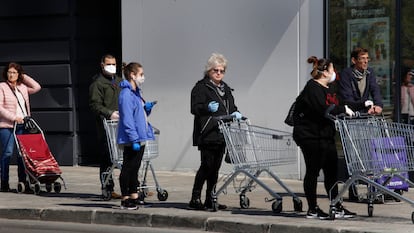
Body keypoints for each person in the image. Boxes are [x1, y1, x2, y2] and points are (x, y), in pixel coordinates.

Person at [293, 56, 356, 220]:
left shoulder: (329, 88)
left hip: (325, 136)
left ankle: (335, 205)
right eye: (332, 69)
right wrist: (342, 109)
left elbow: (342, 103)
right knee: (313, 171)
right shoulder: (312, 88)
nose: (334, 73)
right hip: (309, 136)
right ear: (325, 72)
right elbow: (323, 108)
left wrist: (365, 105)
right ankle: (312, 209)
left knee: (331, 172)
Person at [189, 53, 243, 210]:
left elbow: (231, 107)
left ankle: (211, 198)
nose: (219, 73)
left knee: (215, 169)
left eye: (222, 70)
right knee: (206, 165)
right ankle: (195, 198)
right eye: (215, 70)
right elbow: (194, 108)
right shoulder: (201, 87)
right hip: (207, 131)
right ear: (209, 71)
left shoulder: (225, 88)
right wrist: (207, 108)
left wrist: (236, 113)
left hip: (222, 133)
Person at [339, 47, 384, 201]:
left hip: (365, 119)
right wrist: (365, 104)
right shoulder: (346, 74)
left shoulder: (369, 73)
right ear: (354, 60)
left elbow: (375, 90)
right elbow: (346, 98)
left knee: (369, 153)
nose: (365, 61)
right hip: (351, 118)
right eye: (362, 58)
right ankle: (352, 189)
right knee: (353, 154)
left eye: (367, 58)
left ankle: (372, 188)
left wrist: (378, 105)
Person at [116, 62, 155, 210]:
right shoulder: (126, 94)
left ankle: (134, 195)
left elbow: (138, 114)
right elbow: (127, 119)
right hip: (132, 138)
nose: (143, 77)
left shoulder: (136, 93)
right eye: (141, 74)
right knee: (128, 168)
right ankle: (125, 199)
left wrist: (147, 109)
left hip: (140, 136)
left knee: (135, 167)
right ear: (132, 75)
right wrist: (133, 139)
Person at [0, 62, 41, 192]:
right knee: (7, 153)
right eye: (9, 72)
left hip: (23, 125)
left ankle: (23, 181)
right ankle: (4, 182)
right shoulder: (2, 87)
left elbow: (37, 87)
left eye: (14, 72)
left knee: (22, 154)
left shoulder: (23, 87)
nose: (11, 75)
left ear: (18, 75)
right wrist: (13, 117)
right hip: (7, 125)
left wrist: (24, 76)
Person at [89, 54, 123, 199]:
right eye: (109, 64)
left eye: (114, 64)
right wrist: (109, 113)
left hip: (121, 125)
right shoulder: (98, 84)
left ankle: (133, 186)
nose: (112, 66)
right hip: (106, 126)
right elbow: (95, 105)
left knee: (124, 157)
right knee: (107, 158)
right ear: (102, 65)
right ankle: (107, 187)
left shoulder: (120, 81)